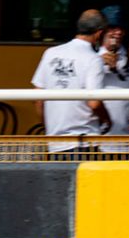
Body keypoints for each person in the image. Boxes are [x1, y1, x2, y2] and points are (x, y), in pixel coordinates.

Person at [31, 9, 112, 155]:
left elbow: (38, 98)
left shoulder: (51, 53)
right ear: (99, 33)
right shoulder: (93, 59)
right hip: (84, 141)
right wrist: (107, 119)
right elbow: (94, 103)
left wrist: (48, 127)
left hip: (55, 143)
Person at [97, 5, 129, 154]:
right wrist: (97, 63)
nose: (118, 32)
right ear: (101, 30)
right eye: (112, 27)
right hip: (97, 143)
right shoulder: (90, 53)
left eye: (121, 28)